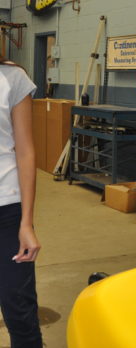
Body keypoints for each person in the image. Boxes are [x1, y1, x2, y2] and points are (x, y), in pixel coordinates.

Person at [0, 58, 42, 347]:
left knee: (20, 308)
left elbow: (26, 152)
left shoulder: (13, 78)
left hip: (7, 211)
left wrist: (26, 222)